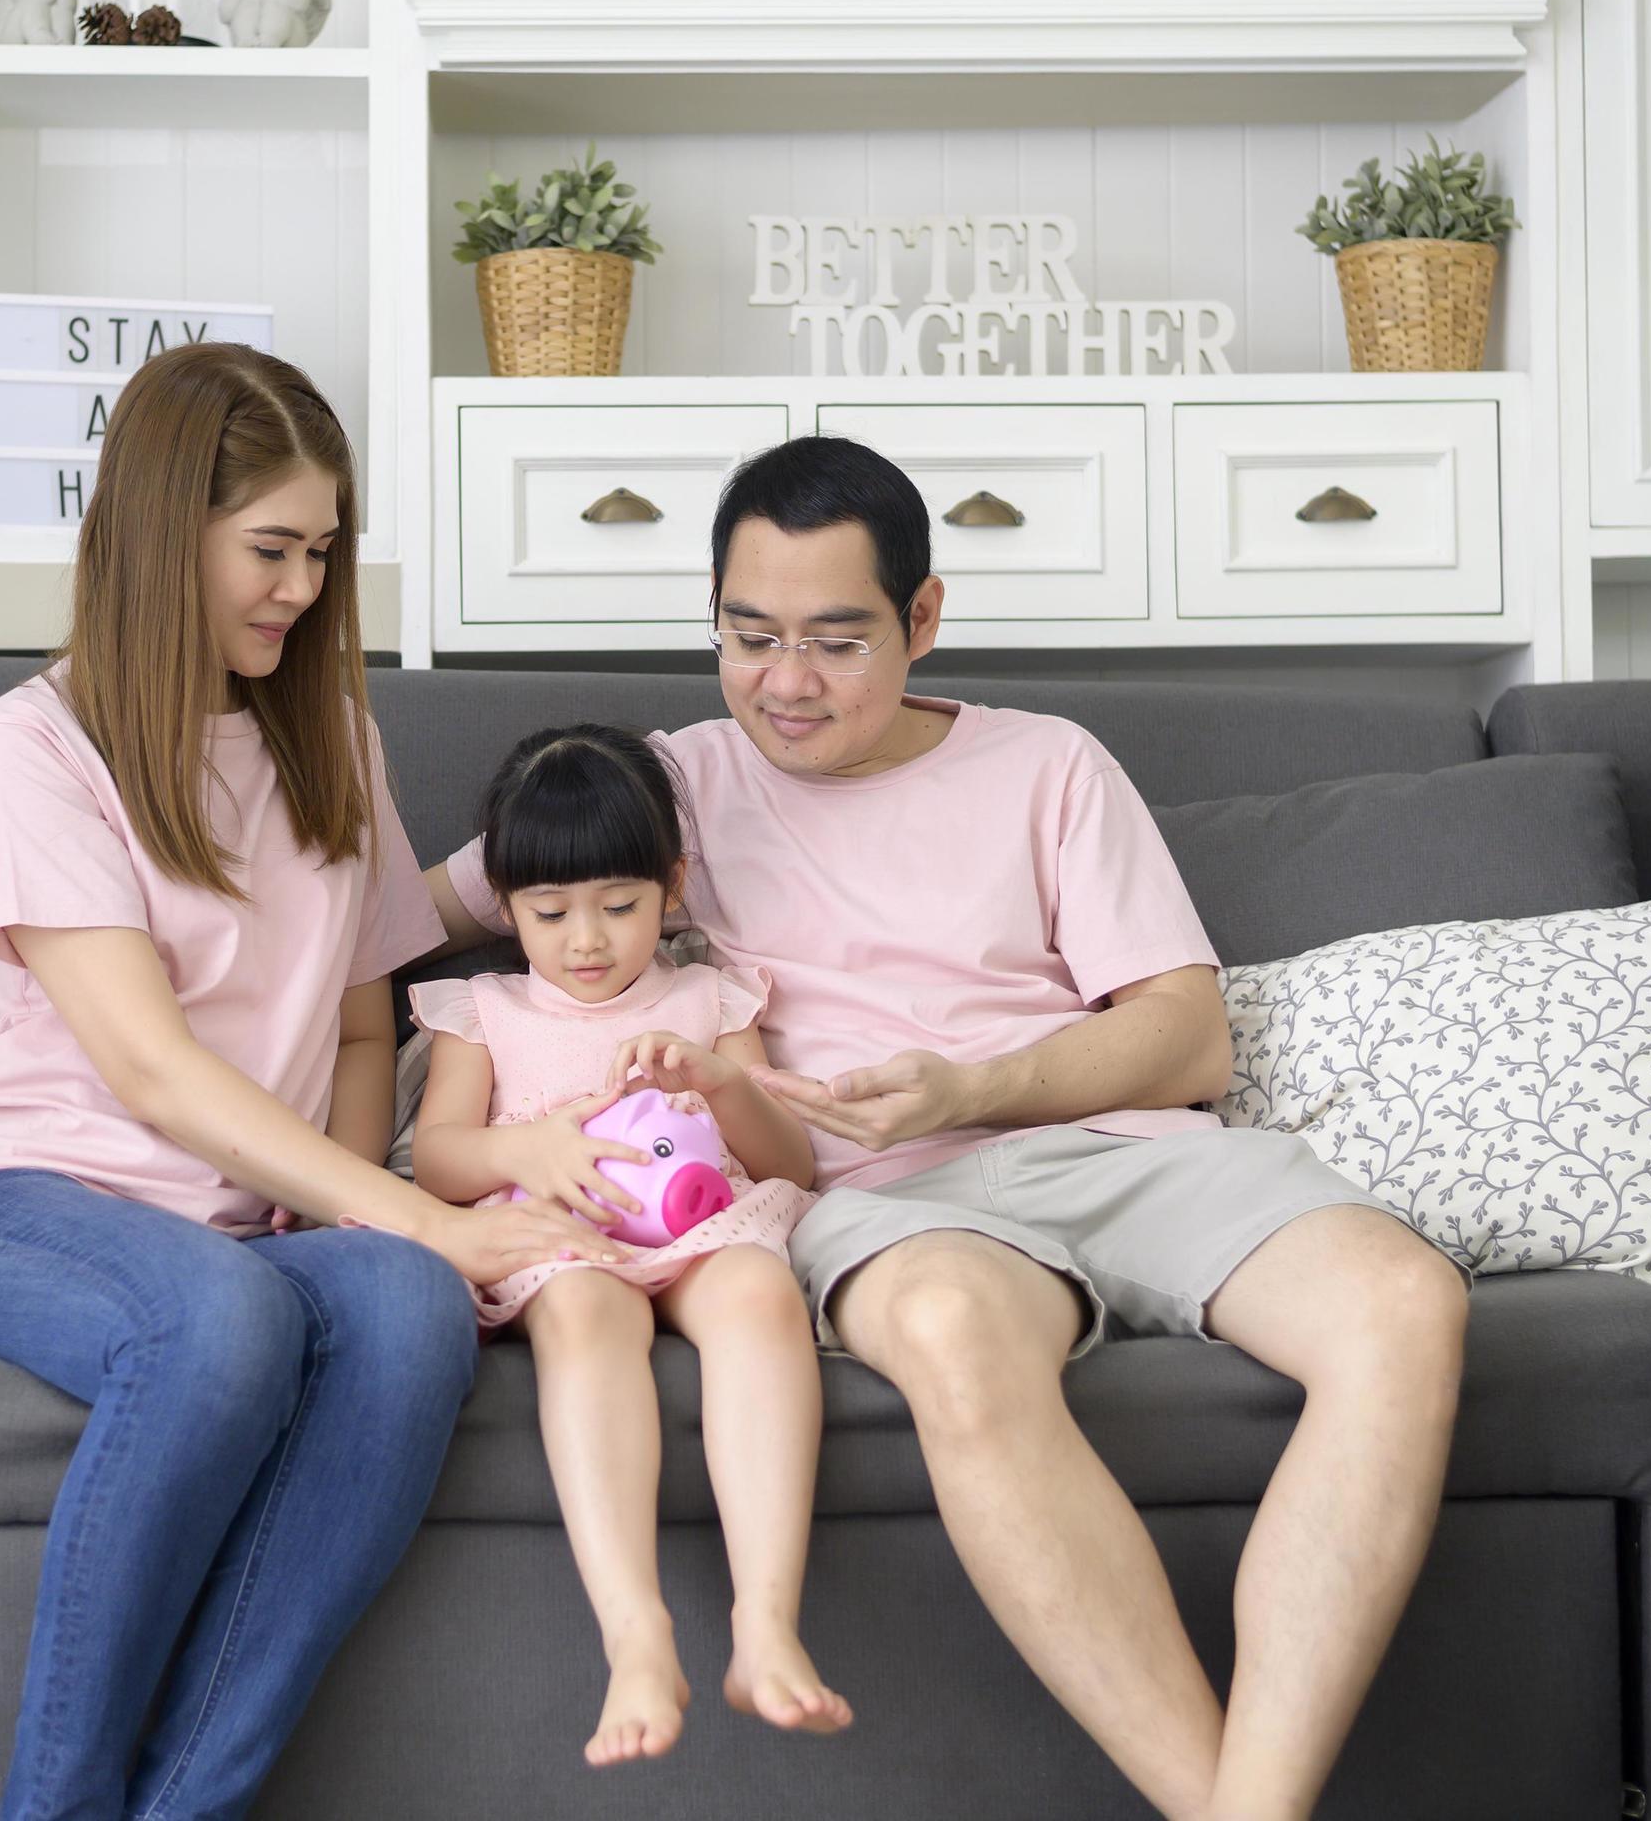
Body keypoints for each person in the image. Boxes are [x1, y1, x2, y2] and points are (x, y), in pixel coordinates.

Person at [424, 435, 1472, 1821]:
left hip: (1118, 1152)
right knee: (951, 1338)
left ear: (922, 620)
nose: (783, 684)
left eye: (834, 640)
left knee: (1402, 1301)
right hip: (887, 1200)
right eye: (748, 636)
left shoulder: (1048, 765)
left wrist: (974, 1088)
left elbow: (1186, 1029)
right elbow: (390, 922)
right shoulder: (654, 786)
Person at [0, 342, 624, 1821]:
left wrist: (354, 1229)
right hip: (18, 1201)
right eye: (269, 550)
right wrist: (413, 1212)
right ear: (165, 535)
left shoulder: (329, 733)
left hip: (249, 1223)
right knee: (226, 1322)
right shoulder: (31, 750)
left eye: (321, 553)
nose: (299, 587)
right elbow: (150, 1071)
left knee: (407, 1310)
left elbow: (363, 1032)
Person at [407, 725, 845, 1768]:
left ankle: (764, 1622)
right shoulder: (485, 1010)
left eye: (620, 904)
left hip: (700, 1223)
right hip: (560, 1235)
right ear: (506, 905)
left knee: (757, 1295)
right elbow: (436, 1161)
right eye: (548, 912)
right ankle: (636, 1632)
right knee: (585, 1315)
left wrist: (719, 1081)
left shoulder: (710, 999)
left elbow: (793, 1166)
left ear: (672, 885)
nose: (586, 940)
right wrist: (526, 1145)